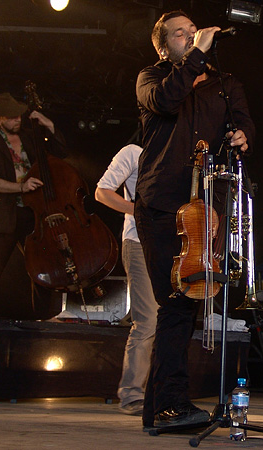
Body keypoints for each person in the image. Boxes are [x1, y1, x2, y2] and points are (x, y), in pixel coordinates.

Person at [134, 10, 255, 430]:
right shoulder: (153, 78)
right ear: (165, 47)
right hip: (162, 204)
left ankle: (160, 412)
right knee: (175, 303)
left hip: (203, 208)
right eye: (180, 34)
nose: (191, 36)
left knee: (183, 305)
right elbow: (167, 100)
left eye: (194, 31)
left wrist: (243, 136)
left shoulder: (225, 84)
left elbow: (242, 122)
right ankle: (169, 406)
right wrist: (196, 56)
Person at [0, 92, 66, 317]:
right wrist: (21, 187)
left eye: (19, 116)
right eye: (12, 117)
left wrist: (48, 124)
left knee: (41, 267)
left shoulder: (30, 138)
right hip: (4, 213)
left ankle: (42, 320)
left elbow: (60, 153)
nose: (18, 120)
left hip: (33, 213)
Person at [95, 143, 157, 416]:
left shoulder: (181, 159)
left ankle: (160, 390)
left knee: (170, 319)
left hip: (173, 247)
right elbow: (102, 192)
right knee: (148, 319)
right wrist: (138, 211)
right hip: (138, 242)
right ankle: (132, 394)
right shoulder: (133, 152)